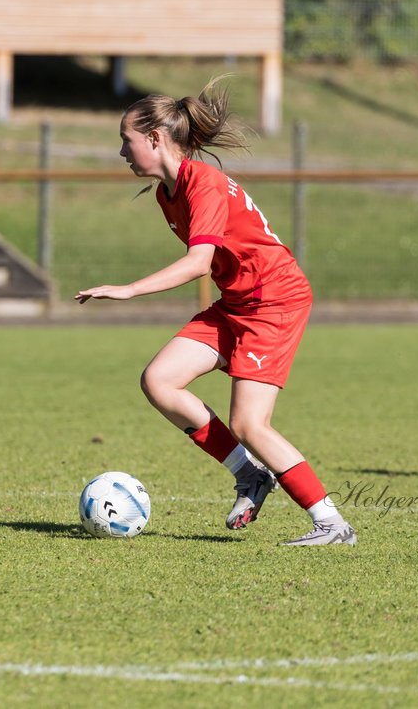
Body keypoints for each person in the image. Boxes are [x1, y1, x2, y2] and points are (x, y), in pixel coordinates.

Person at [76, 80, 356, 546]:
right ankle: (250, 477)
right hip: (238, 303)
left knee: (250, 424)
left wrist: (128, 290)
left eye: (125, 140)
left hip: (273, 302)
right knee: (159, 381)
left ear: (154, 138)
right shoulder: (169, 194)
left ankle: (331, 524)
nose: (121, 151)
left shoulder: (201, 184)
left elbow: (199, 263)